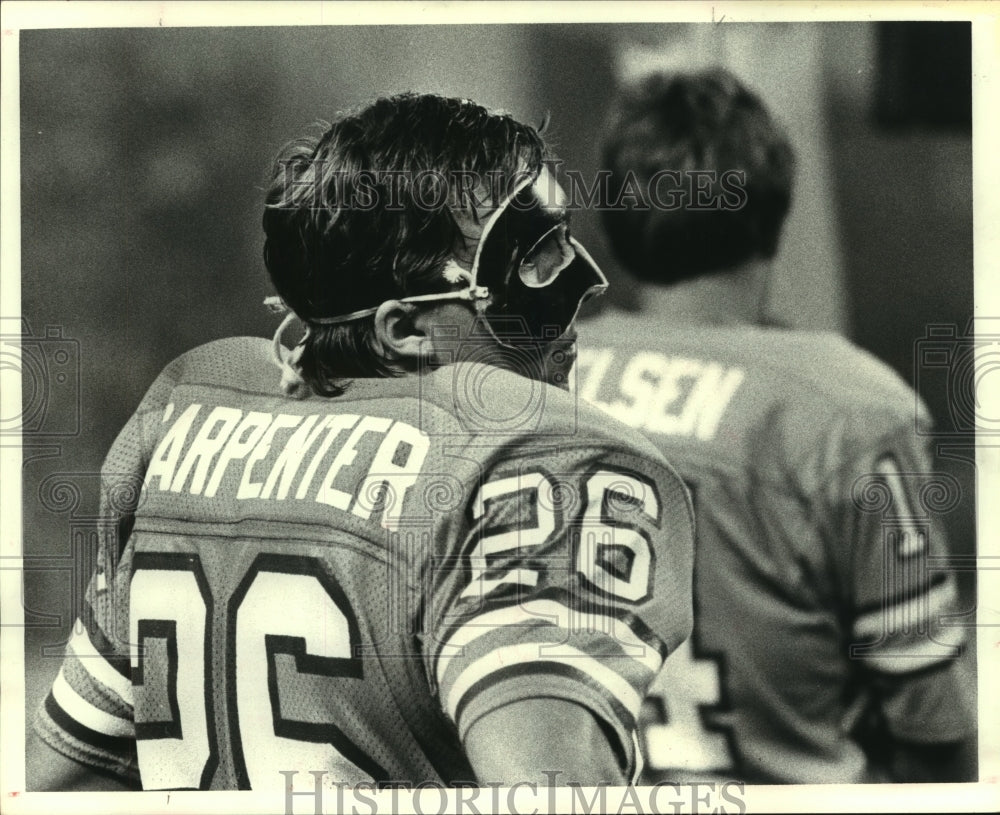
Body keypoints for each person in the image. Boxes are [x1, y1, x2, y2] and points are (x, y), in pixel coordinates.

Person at [26, 93, 695, 791]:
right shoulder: (530, 453)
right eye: (532, 259)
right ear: (405, 328)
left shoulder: (189, 414)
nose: (585, 283)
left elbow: (64, 782)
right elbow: (552, 794)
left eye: (562, 240)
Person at [576, 68, 976, 784]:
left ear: (613, 219)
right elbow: (937, 731)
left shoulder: (538, 382)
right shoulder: (847, 409)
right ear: (773, 213)